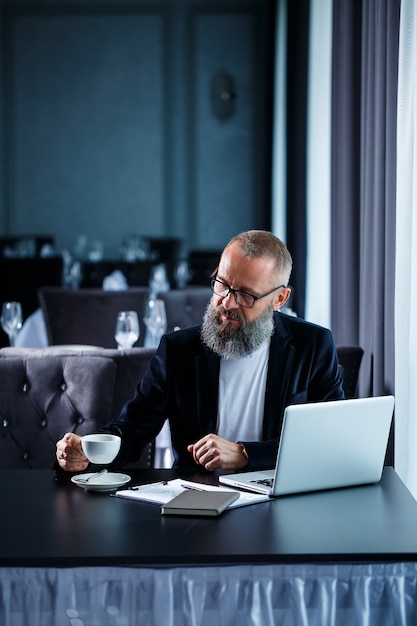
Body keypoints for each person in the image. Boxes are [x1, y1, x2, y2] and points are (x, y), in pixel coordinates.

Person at [56, 230, 345, 473]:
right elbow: (130, 431)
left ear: (279, 298)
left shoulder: (312, 345)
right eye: (222, 284)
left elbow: (327, 441)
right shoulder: (178, 350)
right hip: (197, 506)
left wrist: (246, 454)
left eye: (245, 294)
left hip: (278, 505)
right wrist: (85, 453)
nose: (227, 303)